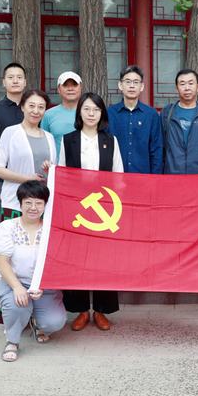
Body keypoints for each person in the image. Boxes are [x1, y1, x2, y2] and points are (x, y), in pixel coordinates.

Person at [58, 92, 123, 331]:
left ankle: (102, 310)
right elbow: (62, 174)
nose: (91, 114)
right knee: (78, 259)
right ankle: (81, 310)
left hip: (104, 209)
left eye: (96, 109)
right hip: (78, 209)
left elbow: (118, 175)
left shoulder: (110, 140)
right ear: (80, 113)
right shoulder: (68, 140)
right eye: (86, 109)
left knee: (103, 260)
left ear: (102, 113)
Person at [0, 180, 67, 362]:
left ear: (45, 205)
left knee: (54, 322)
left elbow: (57, 262)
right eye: (28, 202)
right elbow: (2, 261)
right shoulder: (7, 227)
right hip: (13, 282)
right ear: (20, 203)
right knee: (17, 305)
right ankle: (12, 341)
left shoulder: (51, 230)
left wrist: (44, 284)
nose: (33, 208)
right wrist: (17, 287)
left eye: (39, 203)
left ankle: (37, 324)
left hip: (43, 285)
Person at [0, 89, 57, 221]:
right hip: (15, 203)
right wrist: (27, 178)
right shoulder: (10, 132)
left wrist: (49, 170)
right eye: (31, 106)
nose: (36, 111)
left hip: (42, 205)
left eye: (41, 107)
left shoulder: (49, 137)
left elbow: (53, 172)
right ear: (22, 107)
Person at [0, 62, 27, 223]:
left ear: (25, 82)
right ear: (4, 82)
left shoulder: (32, 108)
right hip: (3, 176)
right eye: (11, 77)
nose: (15, 81)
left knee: (31, 222)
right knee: (4, 224)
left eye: (19, 77)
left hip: (29, 175)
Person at [161, 68, 198, 174]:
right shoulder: (167, 113)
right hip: (172, 175)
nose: (187, 88)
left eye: (191, 83)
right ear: (177, 88)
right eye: (182, 84)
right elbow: (160, 148)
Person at [107, 65, 163, 173]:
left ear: (142, 86)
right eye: (127, 82)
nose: (132, 86)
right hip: (115, 176)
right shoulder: (109, 113)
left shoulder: (151, 115)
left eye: (136, 82)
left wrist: (155, 178)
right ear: (120, 85)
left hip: (143, 177)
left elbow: (156, 150)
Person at [41, 71, 82, 156]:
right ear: (58, 89)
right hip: (58, 163)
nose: (70, 89)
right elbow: (43, 144)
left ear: (81, 87)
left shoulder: (90, 113)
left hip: (85, 163)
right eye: (65, 85)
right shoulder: (48, 114)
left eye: (74, 85)